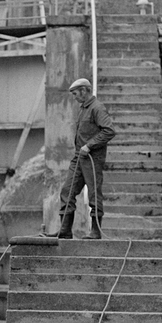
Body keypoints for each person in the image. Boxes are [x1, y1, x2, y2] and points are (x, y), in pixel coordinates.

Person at [55, 77, 117, 239]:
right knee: (67, 191)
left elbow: (109, 131)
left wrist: (89, 145)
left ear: (84, 90)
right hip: (79, 158)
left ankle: (96, 232)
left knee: (94, 195)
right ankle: (65, 230)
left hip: (92, 158)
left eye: (76, 94)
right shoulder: (83, 108)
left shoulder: (97, 108)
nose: (74, 97)